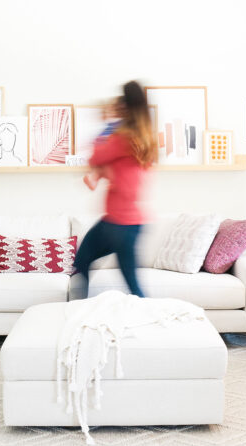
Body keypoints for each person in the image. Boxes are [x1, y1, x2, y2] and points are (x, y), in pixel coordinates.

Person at [74, 80, 157, 298]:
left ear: (126, 109)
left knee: (85, 263)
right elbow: (123, 172)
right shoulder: (143, 138)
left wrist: (102, 161)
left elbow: (95, 156)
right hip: (126, 222)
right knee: (87, 263)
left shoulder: (124, 138)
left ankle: (78, 313)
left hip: (119, 224)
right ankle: (80, 311)